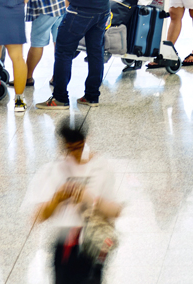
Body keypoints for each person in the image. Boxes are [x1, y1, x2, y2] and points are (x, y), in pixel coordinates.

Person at [27, 118, 123, 284]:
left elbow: (116, 211)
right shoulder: (53, 170)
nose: (73, 154)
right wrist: (57, 199)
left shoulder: (101, 168)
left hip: (93, 245)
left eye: (78, 148)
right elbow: (39, 216)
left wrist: (90, 200)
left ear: (86, 140)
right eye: (68, 149)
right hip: (64, 246)